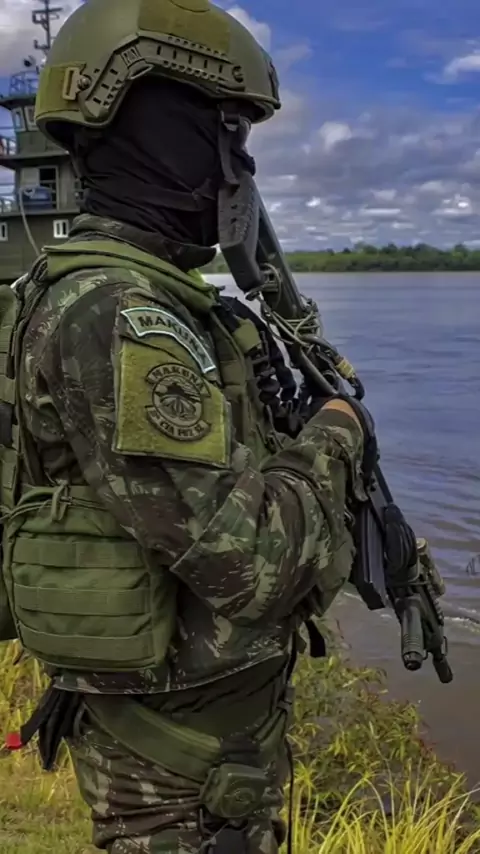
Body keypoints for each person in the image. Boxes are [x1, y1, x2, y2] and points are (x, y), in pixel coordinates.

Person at [0, 1, 375, 852]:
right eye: (227, 131)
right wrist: (335, 431)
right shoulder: (123, 315)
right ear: (148, 126)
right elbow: (250, 564)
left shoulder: (119, 295)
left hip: (194, 744)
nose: (241, 166)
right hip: (181, 768)